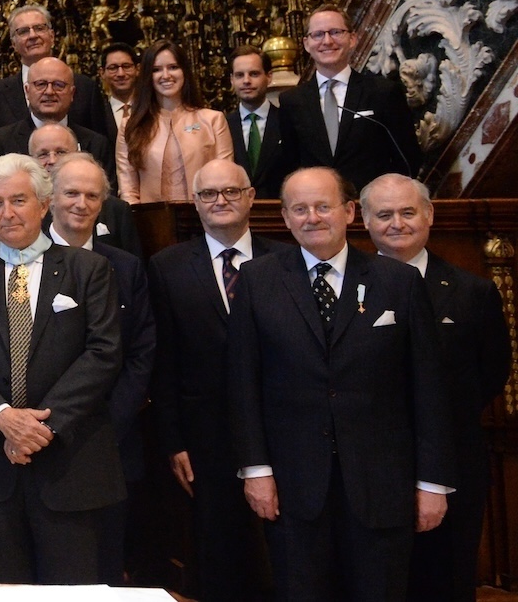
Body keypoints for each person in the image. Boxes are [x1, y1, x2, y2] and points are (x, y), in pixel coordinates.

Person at [227, 166, 453, 602]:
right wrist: (256, 470)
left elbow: (428, 388)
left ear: (349, 211)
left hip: (382, 485)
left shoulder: (398, 281)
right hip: (292, 485)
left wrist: (433, 482)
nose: (312, 217)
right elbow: (242, 383)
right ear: (286, 218)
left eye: (323, 206)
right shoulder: (257, 280)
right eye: (300, 209)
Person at [0, 153, 124, 585]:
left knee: (71, 589)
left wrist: (40, 428)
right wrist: (3, 418)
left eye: (18, 200)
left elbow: (103, 353)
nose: (7, 213)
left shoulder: (87, 268)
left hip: (69, 462)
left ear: (44, 205)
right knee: (5, 588)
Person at [362, 174, 510, 602]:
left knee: (446, 581)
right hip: (369, 466)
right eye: (384, 214)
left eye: (408, 212)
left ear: (429, 215)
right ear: (364, 220)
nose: (397, 223)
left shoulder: (472, 292)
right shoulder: (347, 288)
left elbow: (492, 371)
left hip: (453, 462)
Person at [148, 158, 286, 602]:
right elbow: (163, 362)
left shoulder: (285, 260)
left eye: (231, 191)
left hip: (282, 431)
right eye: (208, 193)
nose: (220, 200)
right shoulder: (167, 266)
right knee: (221, 557)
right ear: (195, 201)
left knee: (285, 556)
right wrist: (174, 441)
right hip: (205, 436)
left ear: (251, 197)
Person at [44, 153, 155, 584]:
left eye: (92, 196)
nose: (81, 203)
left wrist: (111, 423)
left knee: (105, 566)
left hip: (111, 442)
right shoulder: (19, 261)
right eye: (71, 193)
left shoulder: (126, 267)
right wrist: (46, 425)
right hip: (39, 441)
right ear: (50, 198)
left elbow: (141, 351)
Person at [277, 5, 422, 187]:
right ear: (307, 44)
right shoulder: (291, 101)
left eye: (336, 32)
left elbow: (408, 158)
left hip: (370, 200)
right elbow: (290, 165)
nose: (327, 41)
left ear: (352, 39)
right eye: (318, 34)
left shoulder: (383, 93)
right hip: (317, 201)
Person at [0, 4, 114, 146]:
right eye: (23, 31)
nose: (32, 35)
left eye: (39, 28)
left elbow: (99, 145)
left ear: (52, 36)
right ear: (13, 43)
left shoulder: (85, 87)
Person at [118, 40, 233, 204]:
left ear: (184, 71)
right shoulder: (130, 125)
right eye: (156, 70)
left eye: (173, 67)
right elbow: (128, 190)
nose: (166, 75)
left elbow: (226, 179)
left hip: (205, 214)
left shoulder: (213, 120)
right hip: (149, 217)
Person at [0, 56, 116, 188]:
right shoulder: (1, 142)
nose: (49, 92)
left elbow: (106, 197)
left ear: (72, 93)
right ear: (27, 91)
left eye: (59, 85)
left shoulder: (96, 144)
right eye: (41, 84)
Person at [26, 125, 143, 257]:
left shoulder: (116, 210)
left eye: (61, 152)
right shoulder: (27, 213)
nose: (52, 160)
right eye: (43, 154)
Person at [226, 45, 290, 199]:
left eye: (254, 74)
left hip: (278, 207)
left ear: (269, 77)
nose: (246, 81)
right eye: (239, 75)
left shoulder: (287, 121)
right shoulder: (223, 125)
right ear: (232, 80)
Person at [100, 42, 140, 135]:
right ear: (102, 73)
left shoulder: (151, 108)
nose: (120, 74)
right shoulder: (98, 114)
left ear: (138, 69)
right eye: (113, 68)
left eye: (126, 66)